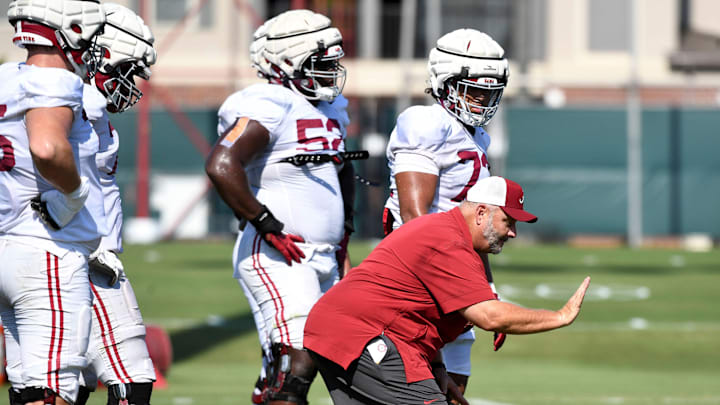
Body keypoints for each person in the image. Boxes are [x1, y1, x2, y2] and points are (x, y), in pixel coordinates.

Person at [305, 176, 591, 405]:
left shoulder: (449, 234)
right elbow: (489, 317)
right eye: (509, 221)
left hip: (343, 333)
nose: (513, 232)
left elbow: (420, 314)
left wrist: (438, 368)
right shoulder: (448, 241)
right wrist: (560, 316)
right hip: (364, 336)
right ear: (482, 213)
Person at [205, 9, 355, 405]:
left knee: (321, 363)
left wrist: (343, 243)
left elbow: (341, 176)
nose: (331, 73)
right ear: (286, 62)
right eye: (321, 64)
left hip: (324, 255)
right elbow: (222, 164)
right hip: (279, 251)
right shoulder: (269, 101)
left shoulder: (329, 109)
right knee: (298, 362)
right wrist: (266, 223)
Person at [382, 28, 510, 402]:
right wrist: (450, 283)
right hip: (424, 274)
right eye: (473, 90)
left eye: (490, 92)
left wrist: (487, 292)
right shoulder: (425, 122)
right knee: (421, 392)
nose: (482, 101)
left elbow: (477, 231)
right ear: (443, 81)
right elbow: (414, 214)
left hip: (455, 274)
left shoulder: (476, 137)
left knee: (453, 392)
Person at [0, 1, 106, 404]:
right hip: (45, 253)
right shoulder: (54, 79)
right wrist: (74, 192)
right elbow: (46, 147)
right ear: (71, 29)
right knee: (52, 391)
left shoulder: (7, 78)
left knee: (28, 387)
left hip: (8, 246)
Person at [75, 4, 158, 405]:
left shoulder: (86, 108)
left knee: (64, 385)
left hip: (70, 256)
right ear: (98, 54)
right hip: (84, 259)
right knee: (132, 377)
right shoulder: (77, 105)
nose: (130, 83)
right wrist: (87, 245)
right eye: (126, 68)